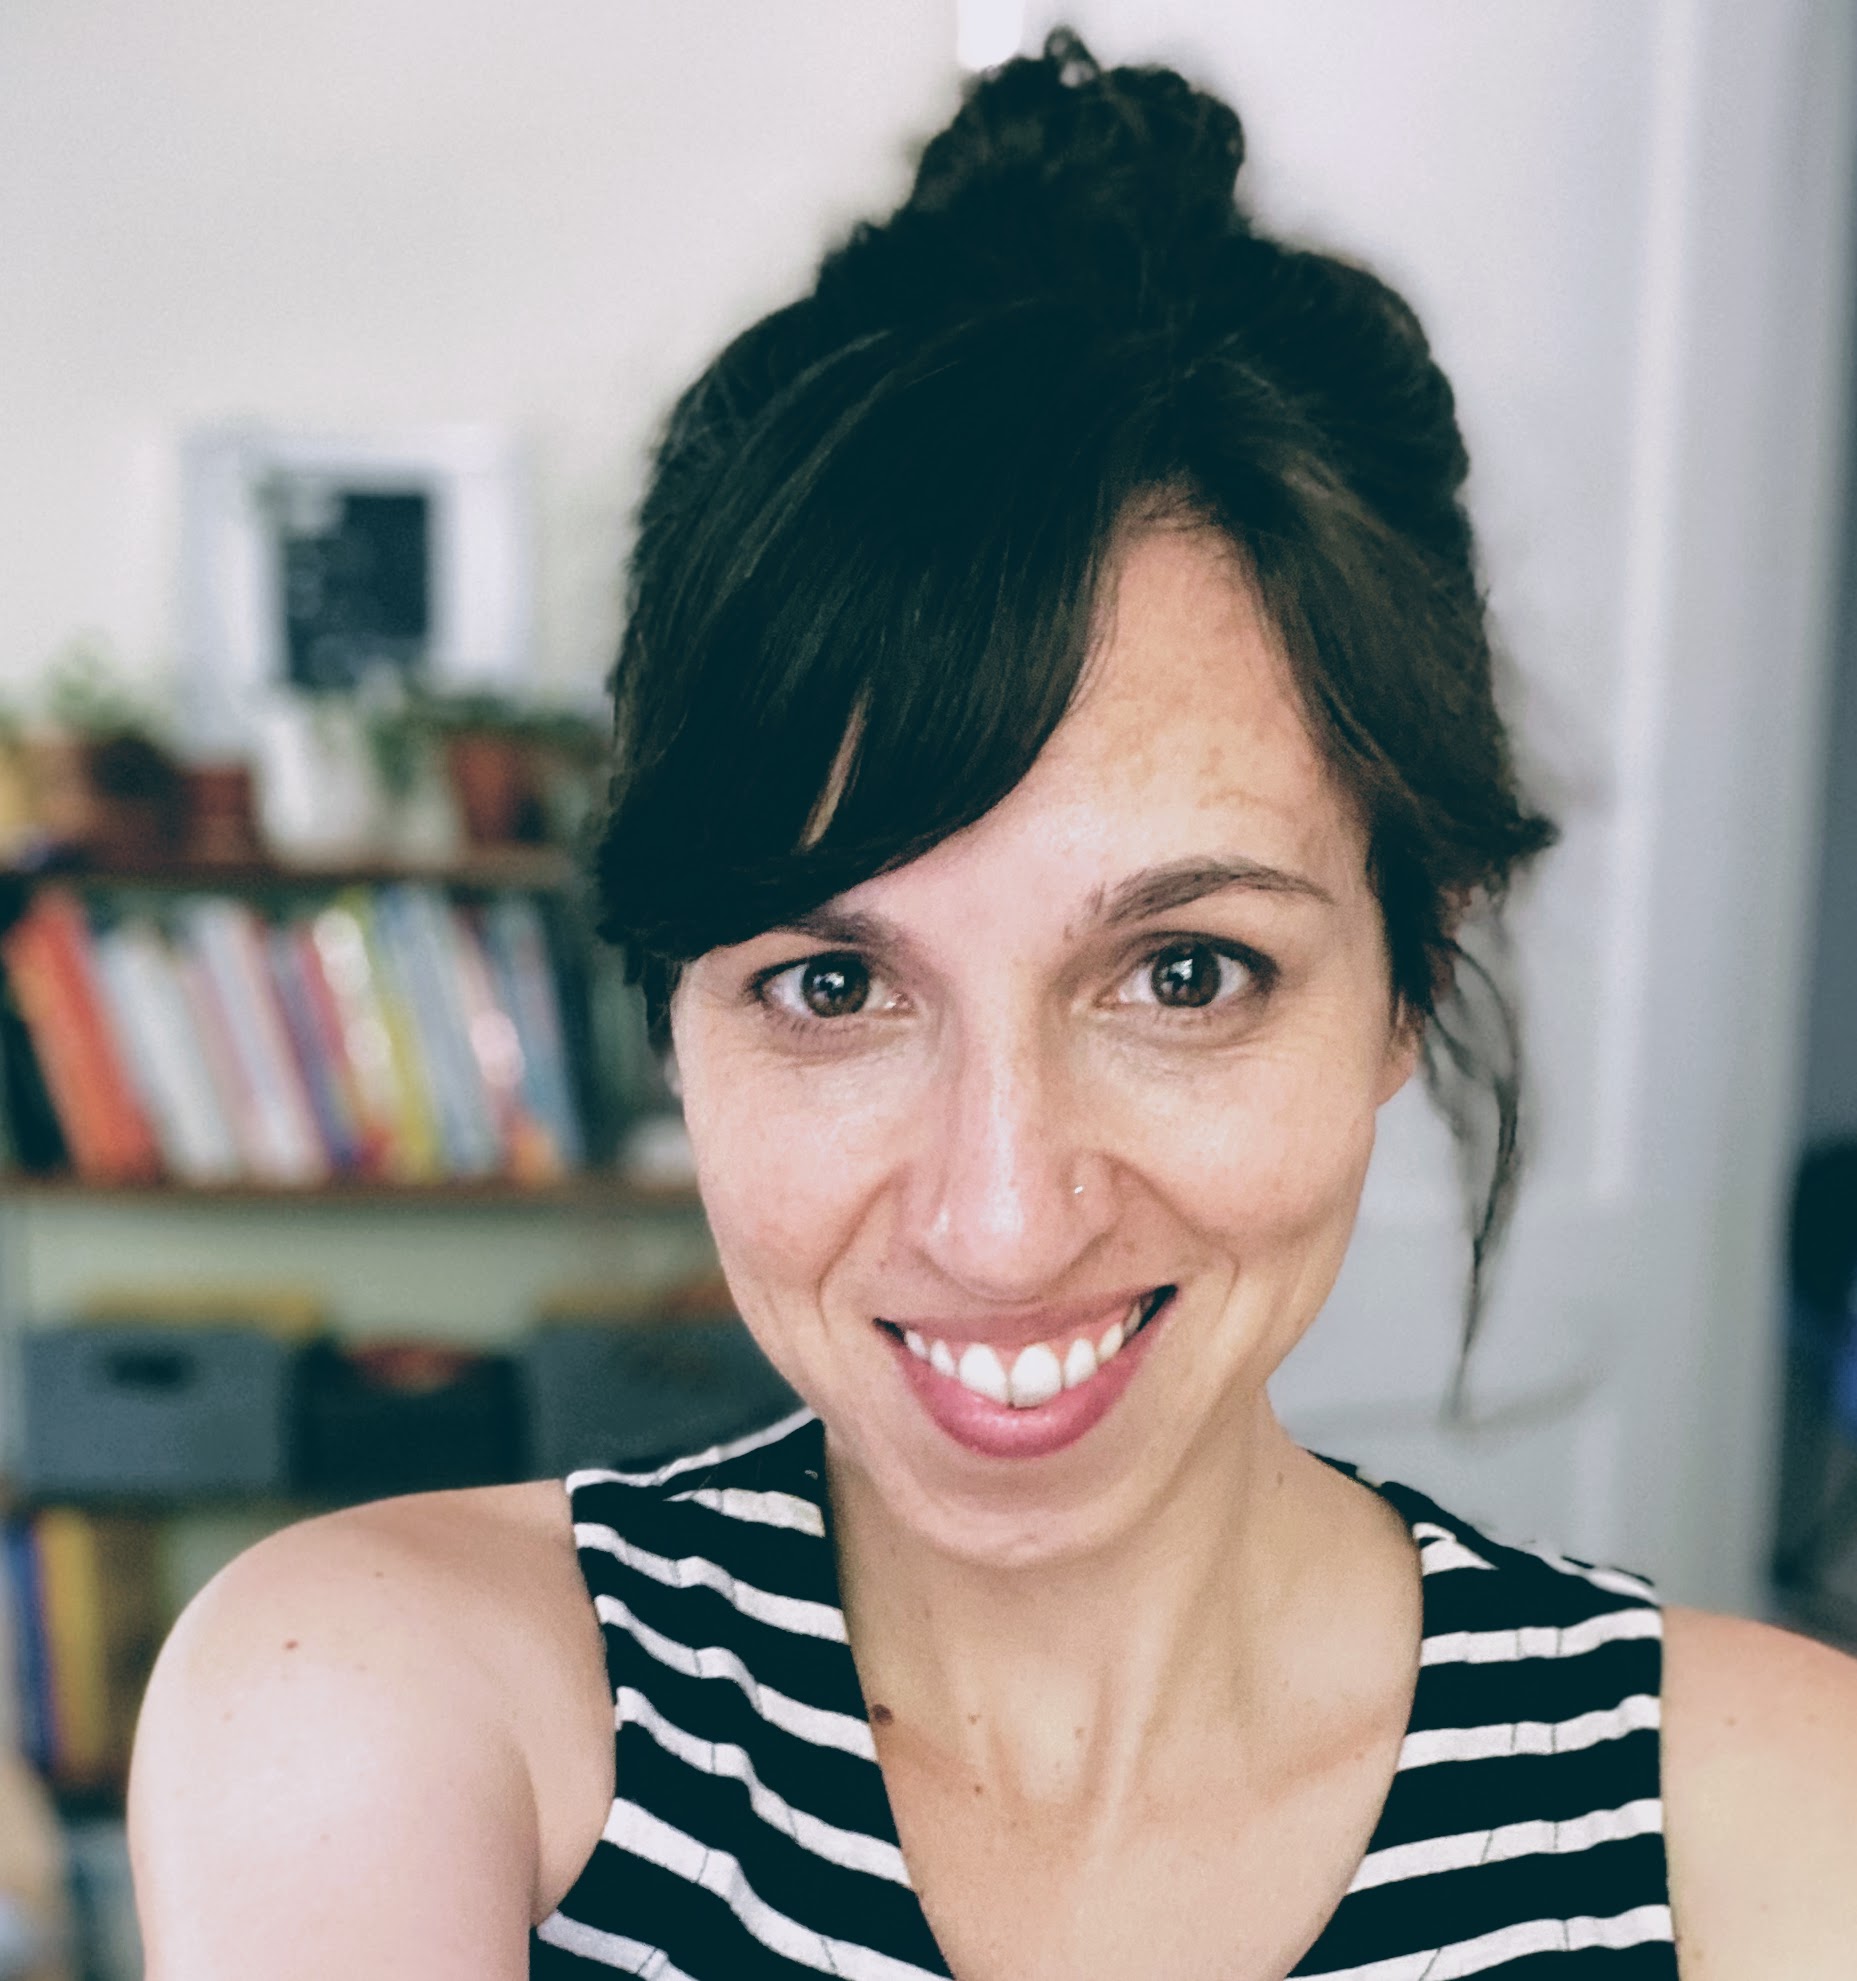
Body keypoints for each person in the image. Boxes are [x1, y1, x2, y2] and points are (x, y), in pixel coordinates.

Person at [128, 33, 1857, 1980]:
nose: (1001, 1214)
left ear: (1406, 979)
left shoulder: (1773, 1822)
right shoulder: (403, 1717)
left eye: (1181, 971)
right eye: (835, 980)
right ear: (671, 1017)